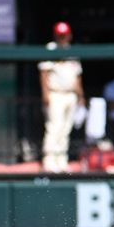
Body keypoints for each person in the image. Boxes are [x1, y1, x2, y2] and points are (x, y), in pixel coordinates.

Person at [38, 21, 84, 173]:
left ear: (69, 35)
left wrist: (80, 95)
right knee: (54, 127)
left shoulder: (72, 52)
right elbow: (44, 72)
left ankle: (61, 161)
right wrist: (45, 94)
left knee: (65, 129)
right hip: (55, 93)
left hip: (70, 94)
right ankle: (49, 161)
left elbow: (77, 76)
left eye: (64, 35)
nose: (62, 38)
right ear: (55, 35)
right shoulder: (50, 48)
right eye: (60, 35)